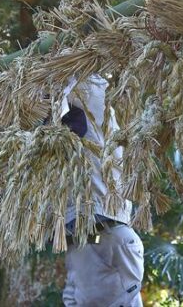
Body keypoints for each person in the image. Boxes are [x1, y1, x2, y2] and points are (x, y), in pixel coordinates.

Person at [59, 75, 145, 307]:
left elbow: (71, 293)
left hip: (81, 236)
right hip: (109, 227)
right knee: (97, 128)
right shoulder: (98, 113)